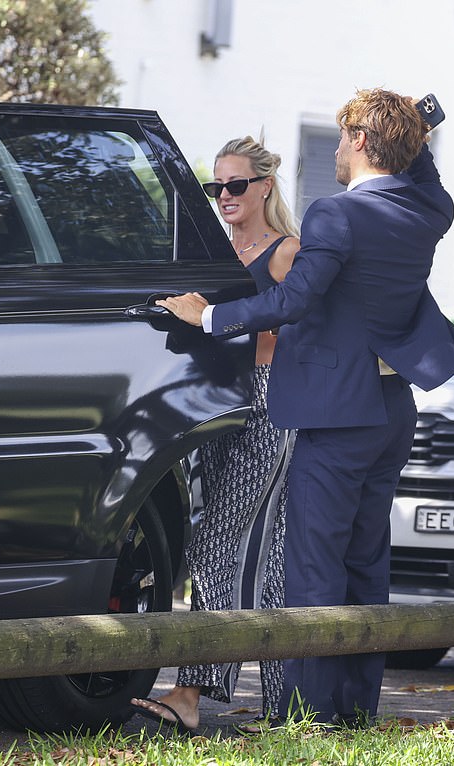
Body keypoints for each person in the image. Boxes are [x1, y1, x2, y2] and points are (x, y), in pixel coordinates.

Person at [151, 89, 454, 727]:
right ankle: (352, 716)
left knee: (313, 568)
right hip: (393, 407)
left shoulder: (335, 216)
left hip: (335, 410)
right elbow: (422, 175)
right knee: (366, 566)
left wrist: (208, 315)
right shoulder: (429, 210)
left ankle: (305, 718)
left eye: (345, 139)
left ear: (363, 143)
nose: (338, 151)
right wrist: (417, 128)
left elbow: (291, 302)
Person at [131, 136, 300, 732]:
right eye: (216, 187)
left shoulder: (285, 253)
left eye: (235, 186)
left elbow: (296, 322)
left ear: (264, 187)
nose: (224, 196)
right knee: (268, 553)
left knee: (218, 542)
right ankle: (283, 704)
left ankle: (194, 691)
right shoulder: (218, 251)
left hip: (269, 403)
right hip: (218, 408)